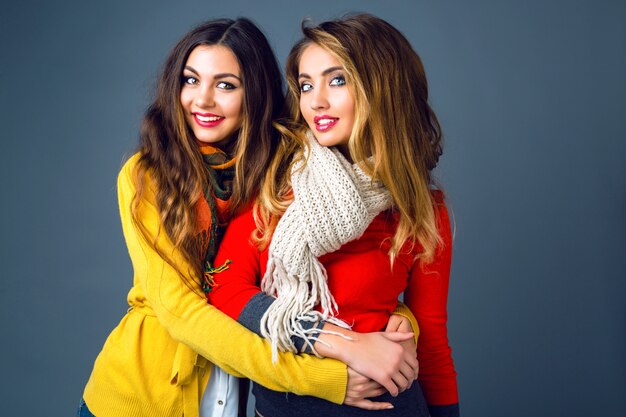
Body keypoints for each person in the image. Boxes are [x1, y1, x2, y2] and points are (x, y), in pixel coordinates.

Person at [78, 17, 419, 417]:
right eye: (191, 80)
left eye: (226, 85)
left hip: (242, 396)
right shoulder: (146, 176)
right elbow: (182, 311)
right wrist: (326, 375)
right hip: (145, 394)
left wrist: (399, 320)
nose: (202, 100)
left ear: (254, 94)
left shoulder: (287, 169)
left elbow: (347, 265)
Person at [206, 13, 459, 417]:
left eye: (336, 80)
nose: (315, 100)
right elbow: (225, 289)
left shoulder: (421, 210)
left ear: (382, 88)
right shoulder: (276, 185)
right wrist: (338, 342)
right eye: (306, 85)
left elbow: (431, 344)